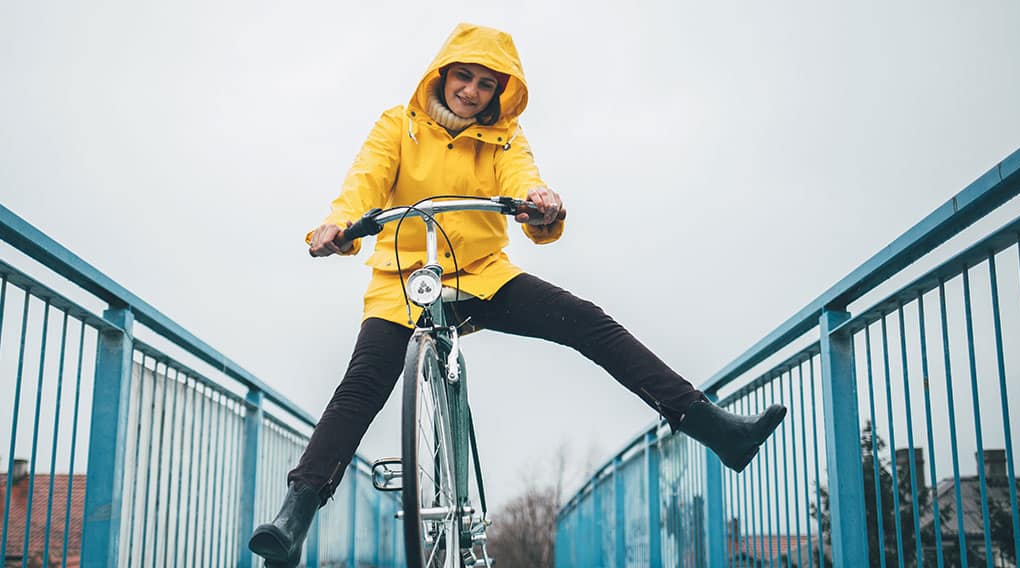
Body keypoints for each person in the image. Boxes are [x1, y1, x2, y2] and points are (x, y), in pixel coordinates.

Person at [248, 23, 786, 566]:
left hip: (481, 273)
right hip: (403, 282)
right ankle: (295, 517)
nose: (472, 92)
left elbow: (522, 176)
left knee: (587, 322)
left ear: (498, 93)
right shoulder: (398, 126)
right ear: (443, 73)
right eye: (464, 76)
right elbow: (363, 183)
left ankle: (713, 427)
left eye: (486, 84)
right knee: (360, 387)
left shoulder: (504, 135)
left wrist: (539, 198)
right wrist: (337, 226)